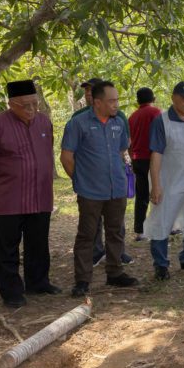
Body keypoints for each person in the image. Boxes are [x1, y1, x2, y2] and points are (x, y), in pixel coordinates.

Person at [0, 80, 61, 308]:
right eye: (25, 105)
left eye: (34, 104)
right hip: (11, 197)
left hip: (41, 195)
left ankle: (38, 282)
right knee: (7, 247)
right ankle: (11, 292)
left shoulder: (44, 122)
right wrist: (2, 171)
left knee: (38, 242)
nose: (31, 109)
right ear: (11, 104)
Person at [61, 81, 139, 297]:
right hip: (90, 191)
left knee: (116, 232)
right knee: (87, 235)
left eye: (117, 100)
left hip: (117, 188)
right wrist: (80, 181)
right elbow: (66, 157)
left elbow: (121, 150)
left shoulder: (119, 122)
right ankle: (82, 280)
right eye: (111, 101)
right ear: (97, 102)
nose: (116, 105)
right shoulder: (78, 123)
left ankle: (115, 272)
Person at [145, 81, 184, 280]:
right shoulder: (162, 121)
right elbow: (156, 154)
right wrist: (156, 185)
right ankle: (161, 264)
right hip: (169, 180)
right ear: (173, 98)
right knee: (162, 220)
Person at [73, 78, 133, 265]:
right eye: (86, 91)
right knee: (90, 227)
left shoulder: (119, 117)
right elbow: (69, 154)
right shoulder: (78, 118)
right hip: (90, 186)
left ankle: (117, 261)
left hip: (115, 183)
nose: (88, 94)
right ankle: (95, 254)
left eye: (91, 90)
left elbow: (122, 146)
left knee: (115, 225)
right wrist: (80, 178)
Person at [128, 87, 161, 241]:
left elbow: (129, 141)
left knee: (141, 195)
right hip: (153, 158)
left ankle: (140, 231)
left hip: (137, 158)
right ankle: (161, 226)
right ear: (153, 99)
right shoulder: (156, 113)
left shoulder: (132, 117)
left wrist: (132, 156)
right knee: (158, 191)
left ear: (138, 101)